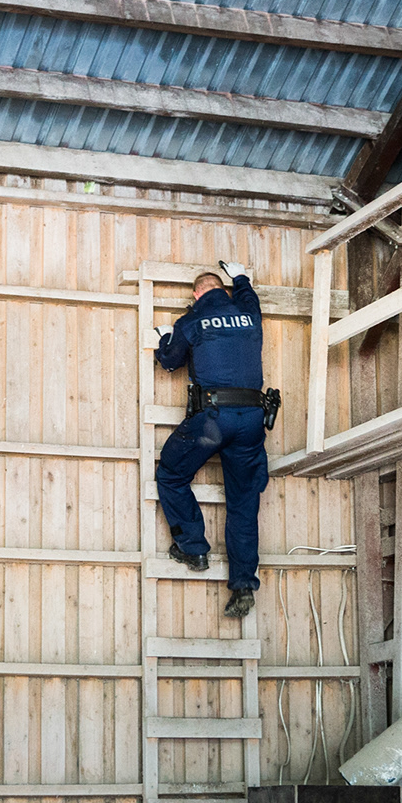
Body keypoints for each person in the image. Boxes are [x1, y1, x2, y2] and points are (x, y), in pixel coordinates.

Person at [152, 262, 275, 619]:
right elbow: (250, 297)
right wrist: (241, 278)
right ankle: (242, 587)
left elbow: (170, 361)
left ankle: (193, 547)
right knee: (243, 503)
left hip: (213, 422)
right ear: (223, 290)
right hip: (252, 420)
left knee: (171, 476)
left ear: (196, 294)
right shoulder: (248, 312)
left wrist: (164, 338)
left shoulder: (190, 321)